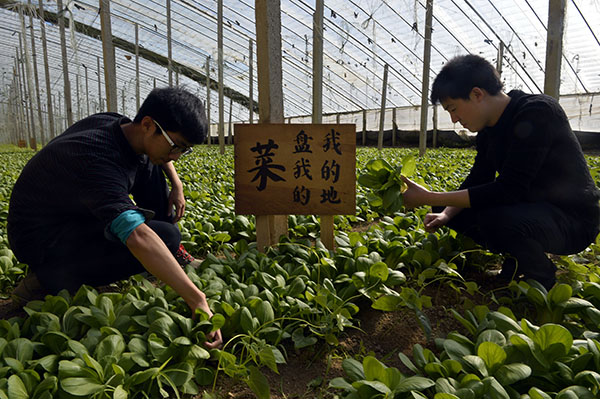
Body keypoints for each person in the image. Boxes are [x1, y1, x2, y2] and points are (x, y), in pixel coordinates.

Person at [8, 86, 222, 348]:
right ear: (147, 124)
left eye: (184, 150)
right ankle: (44, 279)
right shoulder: (96, 160)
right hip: (43, 240)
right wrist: (197, 299)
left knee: (152, 164)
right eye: (177, 146)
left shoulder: (120, 125)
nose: (176, 156)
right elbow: (138, 237)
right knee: (164, 237)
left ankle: (170, 256)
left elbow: (160, 151)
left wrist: (176, 184)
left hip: (74, 213)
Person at [401, 54, 600, 290]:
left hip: (573, 221)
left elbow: (509, 190)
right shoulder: (488, 130)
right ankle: (517, 260)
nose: (454, 120)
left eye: (454, 109)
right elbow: (478, 179)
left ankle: (542, 278)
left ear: (477, 94)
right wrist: (444, 213)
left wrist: (429, 196)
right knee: (450, 210)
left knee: (496, 219)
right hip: (532, 211)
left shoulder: (537, 112)